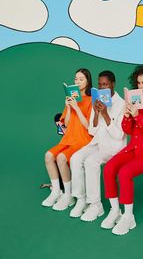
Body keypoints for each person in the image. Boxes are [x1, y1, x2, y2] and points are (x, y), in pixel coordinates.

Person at [101, 65, 143, 235]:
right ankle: (115, 210)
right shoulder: (135, 102)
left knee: (124, 173)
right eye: (138, 83)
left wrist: (138, 115)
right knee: (109, 168)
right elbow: (128, 130)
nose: (140, 86)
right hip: (133, 149)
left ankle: (128, 217)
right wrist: (127, 115)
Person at [70, 71, 127, 221]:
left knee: (91, 162)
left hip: (113, 147)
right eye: (100, 84)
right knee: (75, 158)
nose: (102, 88)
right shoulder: (97, 100)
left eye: (105, 84)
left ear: (113, 84)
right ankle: (81, 199)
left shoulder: (121, 104)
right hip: (97, 142)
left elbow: (119, 135)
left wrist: (106, 114)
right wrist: (96, 113)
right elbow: (91, 130)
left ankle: (96, 205)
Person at [41, 68, 93, 211]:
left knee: (62, 158)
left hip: (83, 140)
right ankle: (57, 192)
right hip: (68, 139)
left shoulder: (92, 101)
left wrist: (77, 108)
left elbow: (89, 126)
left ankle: (68, 195)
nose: (77, 81)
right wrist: (69, 108)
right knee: (48, 156)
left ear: (88, 82)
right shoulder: (71, 100)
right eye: (76, 79)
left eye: (81, 79)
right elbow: (67, 124)